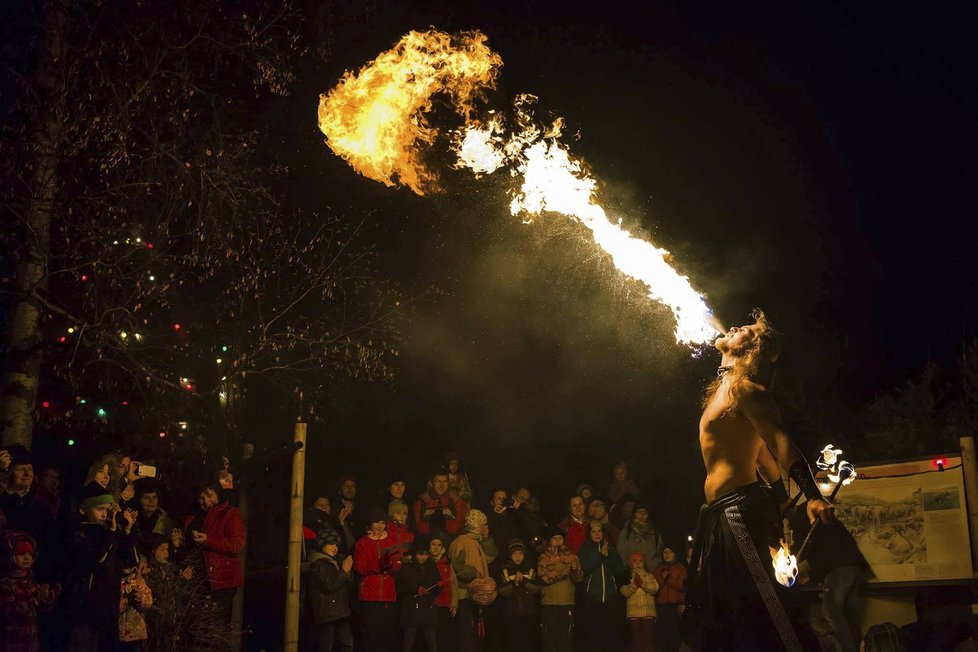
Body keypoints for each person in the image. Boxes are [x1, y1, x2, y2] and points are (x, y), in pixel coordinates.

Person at [687, 311, 832, 650]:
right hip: (723, 514)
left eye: (745, 330)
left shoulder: (746, 390)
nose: (734, 327)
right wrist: (781, 496)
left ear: (751, 349)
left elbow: (779, 441)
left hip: (740, 511)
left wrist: (811, 494)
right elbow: (762, 456)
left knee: (768, 605)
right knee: (725, 614)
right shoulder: (721, 391)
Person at [64, 481, 137, 650]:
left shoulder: (109, 533)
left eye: (107, 510)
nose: (105, 515)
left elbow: (129, 562)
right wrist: (110, 534)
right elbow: (96, 560)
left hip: (109, 607)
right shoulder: (78, 534)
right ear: (83, 510)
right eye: (100, 509)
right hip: (85, 608)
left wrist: (126, 533)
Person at [789, 501, 868, 652]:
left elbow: (821, 551)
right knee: (846, 613)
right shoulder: (812, 514)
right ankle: (855, 647)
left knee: (831, 610)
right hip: (853, 565)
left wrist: (806, 573)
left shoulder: (804, 518)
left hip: (840, 566)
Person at [180, 483, 246, 624]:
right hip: (196, 580)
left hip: (219, 581)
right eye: (201, 497)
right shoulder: (193, 517)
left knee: (212, 627)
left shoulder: (230, 514)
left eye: (209, 495)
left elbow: (236, 544)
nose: (205, 501)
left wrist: (208, 540)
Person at [0, 530, 60, 652]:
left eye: (30, 553)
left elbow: (40, 609)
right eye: (21, 553)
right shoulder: (6, 585)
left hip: (31, 643)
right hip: (13, 644)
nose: (27, 557)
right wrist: (36, 599)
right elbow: (11, 613)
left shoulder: (30, 582)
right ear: (10, 556)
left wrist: (48, 598)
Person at [449, 509, 497, 652]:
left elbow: (491, 556)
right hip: (465, 595)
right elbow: (458, 566)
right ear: (477, 524)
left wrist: (487, 539)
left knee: (477, 632)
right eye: (485, 524)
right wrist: (475, 574)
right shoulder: (461, 542)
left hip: (478, 596)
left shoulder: (477, 542)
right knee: (467, 633)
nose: (487, 527)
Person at [354, 508, 401, 652]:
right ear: (370, 524)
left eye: (382, 522)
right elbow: (359, 567)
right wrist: (379, 565)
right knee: (369, 636)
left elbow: (398, 567)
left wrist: (391, 564)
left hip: (388, 595)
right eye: (376, 522)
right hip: (369, 595)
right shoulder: (362, 543)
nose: (380, 526)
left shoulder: (392, 541)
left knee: (385, 635)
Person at [578, 521, 625, 652]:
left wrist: (608, 556)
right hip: (592, 598)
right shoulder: (585, 549)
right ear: (589, 534)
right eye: (594, 531)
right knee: (594, 634)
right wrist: (600, 556)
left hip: (610, 597)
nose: (597, 534)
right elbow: (585, 568)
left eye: (599, 531)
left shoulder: (611, 549)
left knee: (610, 634)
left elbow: (620, 570)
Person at [307, 527, 355, 652]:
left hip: (340, 611)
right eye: (330, 543)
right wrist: (344, 572)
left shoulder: (334, 561)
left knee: (347, 644)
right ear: (322, 545)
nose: (334, 547)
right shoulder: (319, 564)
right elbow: (330, 585)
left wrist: (347, 573)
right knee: (326, 645)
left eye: (336, 544)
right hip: (327, 613)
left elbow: (345, 583)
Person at [537, 531, 582, 652]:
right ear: (550, 540)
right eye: (554, 538)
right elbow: (542, 577)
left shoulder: (572, 557)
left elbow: (578, 578)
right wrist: (561, 574)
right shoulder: (543, 557)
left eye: (560, 538)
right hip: (549, 602)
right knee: (549, 636)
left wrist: (574, 570)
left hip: (567, 601)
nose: (557, 540)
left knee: (566, 637)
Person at [398, 535, 442, 652]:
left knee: (432, 643)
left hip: (428, 611)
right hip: (412, 611)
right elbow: (401, 587)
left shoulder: (432, 566)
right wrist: (415, 589)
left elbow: (436, 585)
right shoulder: (407, 567)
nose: (423, 557)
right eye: (420, 554)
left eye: (425, 554)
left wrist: (439, 586)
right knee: (409, 643)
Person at [496, 538, 539, 652]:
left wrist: (524, 582)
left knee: (527, 642)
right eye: (514, 554)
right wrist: (514, 583)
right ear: (510, 556)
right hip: (511, 612)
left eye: (520, 553)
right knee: (513, 642)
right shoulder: (505, 570)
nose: (517, 556)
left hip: (528, 611)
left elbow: (536, 589)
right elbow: (502, 591)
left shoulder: (530, 569)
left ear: (524, 555)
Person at [0, 447, 51, 542]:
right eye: (20, 469)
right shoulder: (3, 499)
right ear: (9, 472)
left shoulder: (40, 502)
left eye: (30, 469)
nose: (27, 474)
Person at [620, 551, 659, 652]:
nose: (638, 563)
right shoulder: (627, 577)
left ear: (644, 563)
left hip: (648, 613)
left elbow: (655, 588)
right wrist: (632, 587)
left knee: (647, 639)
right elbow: (624, 592)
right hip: (633, 614)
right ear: (630, 564)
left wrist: (643, 584)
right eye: (635, 561)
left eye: (640, 561)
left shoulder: (649, 576)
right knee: (636, 640)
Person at [652, 545, 687, 652]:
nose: (667, 555)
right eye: (664, 552)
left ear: (675, 553)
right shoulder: (658, 569)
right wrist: (663, 578)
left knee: (674, 635)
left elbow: (683, 586)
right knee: (662, 635)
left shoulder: (681, 568)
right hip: (662, 606)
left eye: (670, 552)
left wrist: (669, 578)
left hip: (675, 606)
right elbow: (655, 587)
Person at [413, 469, 467, 537]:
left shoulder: (457, 502)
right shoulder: (421, 503)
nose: (442, 485)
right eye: (438, 481)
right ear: (431, 483)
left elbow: (460, 529)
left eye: (445, 481)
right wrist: (429, 521)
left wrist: (447, 519)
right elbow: (417, 530)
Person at [429, 531, 459, 652]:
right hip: (431, 606)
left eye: (439, 545)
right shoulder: (426, 564)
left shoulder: (447, 564)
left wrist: (454, 603)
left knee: (446, 636)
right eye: (433, 544)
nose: (436, 548)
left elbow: (454, 584)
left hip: (445, 605)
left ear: (442, 548)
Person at [616, 503, 663, 573]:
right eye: (639, 512)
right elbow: (620, 554)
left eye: (645, 513)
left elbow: (659, 555)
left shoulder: (655, 534)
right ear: (634, 514)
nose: (642, 515)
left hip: (651, 575)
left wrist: (653, 567)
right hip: (630, 575)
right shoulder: (625, 533)